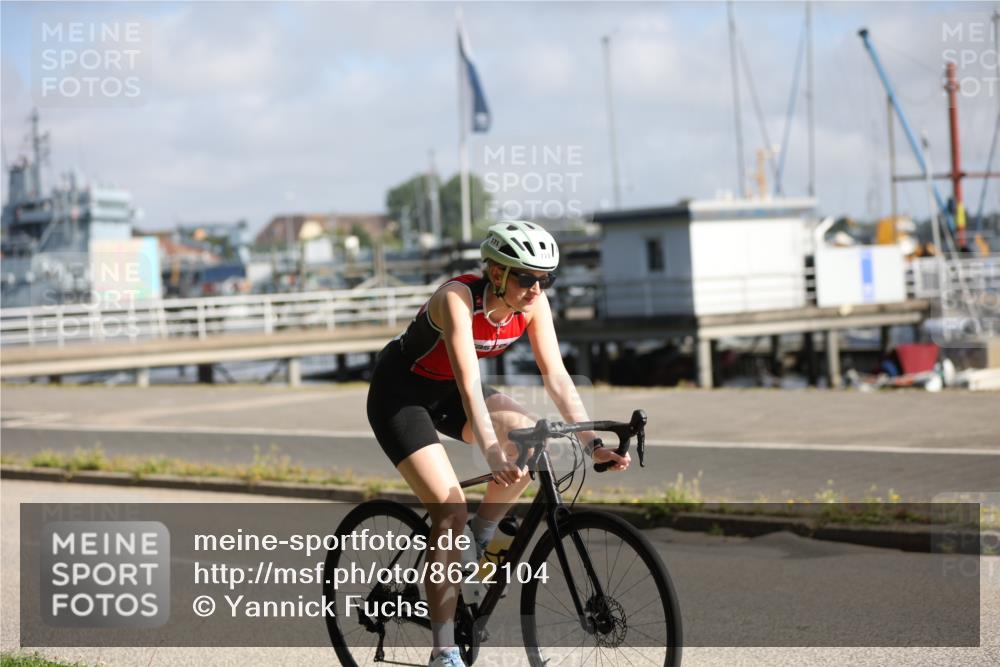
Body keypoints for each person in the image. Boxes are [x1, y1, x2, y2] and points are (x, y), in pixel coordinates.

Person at [366, 220, 631, 667]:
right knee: (449, 511)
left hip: (446, 392)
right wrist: (491, 452)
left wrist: (592, 443)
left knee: (533, 440)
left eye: (545, 278)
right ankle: (444, 650)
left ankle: (482, 536)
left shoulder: (532, 305)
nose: (536, 288)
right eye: (526, 277)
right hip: (401, 397)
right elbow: (471, 384)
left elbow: (558, 378)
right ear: (496, 273)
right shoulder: (456, 299)